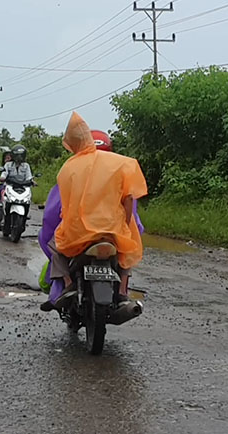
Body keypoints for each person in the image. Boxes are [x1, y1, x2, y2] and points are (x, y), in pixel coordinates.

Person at [47, 112, 148, 309]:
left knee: (55, 245)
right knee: (127, 249)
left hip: (80, 233)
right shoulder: (120, 162)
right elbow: (128, 198)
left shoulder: (69, 168)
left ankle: (68, 285)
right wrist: (125, 224)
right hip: (112, 231)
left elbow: (65, 206)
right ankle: (122, 291)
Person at [0, 145, 33, 216]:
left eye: (21, 156)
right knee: (0, 190)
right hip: (9, 185)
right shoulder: (8, 165)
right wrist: (2, 177)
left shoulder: (26, 166)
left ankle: (26, 214)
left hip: (22, 186)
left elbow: (28, 176)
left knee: (28, 198)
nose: (19, 158)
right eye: (17, 156)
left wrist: (32, 181)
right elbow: (4, 173)